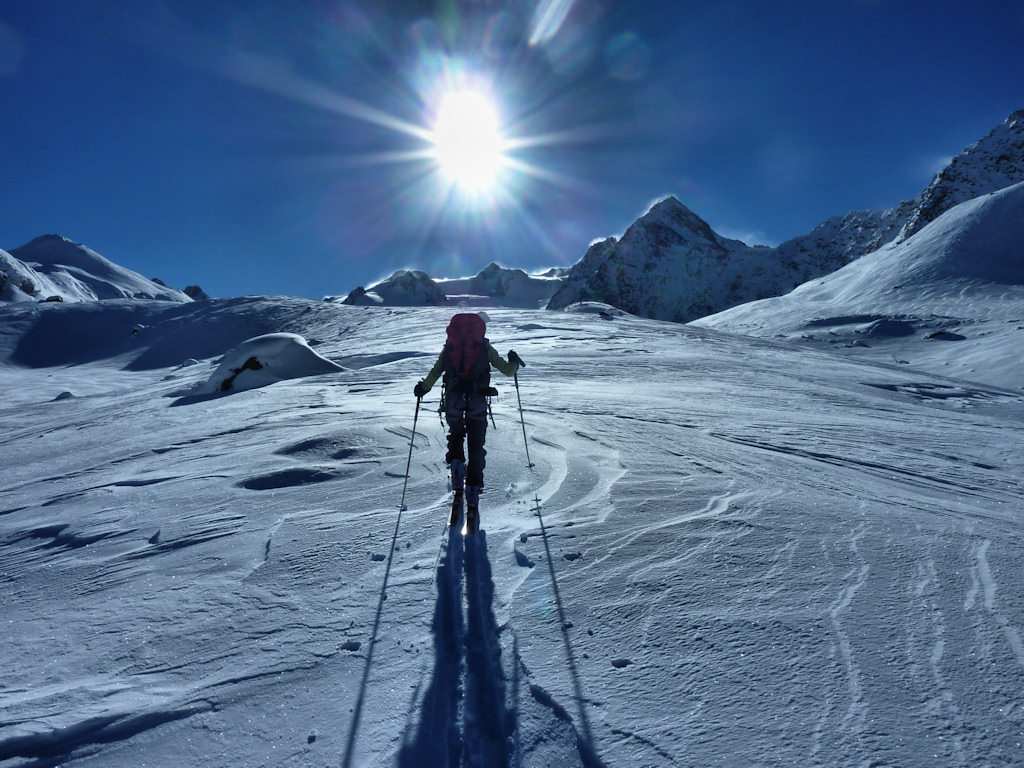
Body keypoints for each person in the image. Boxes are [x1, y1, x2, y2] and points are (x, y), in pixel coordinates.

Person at [414, 312, 523, 533]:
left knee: (455, 437)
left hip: (453, 401)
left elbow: (435, 373)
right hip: (477, 402)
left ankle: (457, 479)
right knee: (476, 446)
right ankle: (473, 490)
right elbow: (507, 370)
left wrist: (423, 388)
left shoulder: (450, 348)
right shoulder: (484, 348)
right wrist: (514, 362)